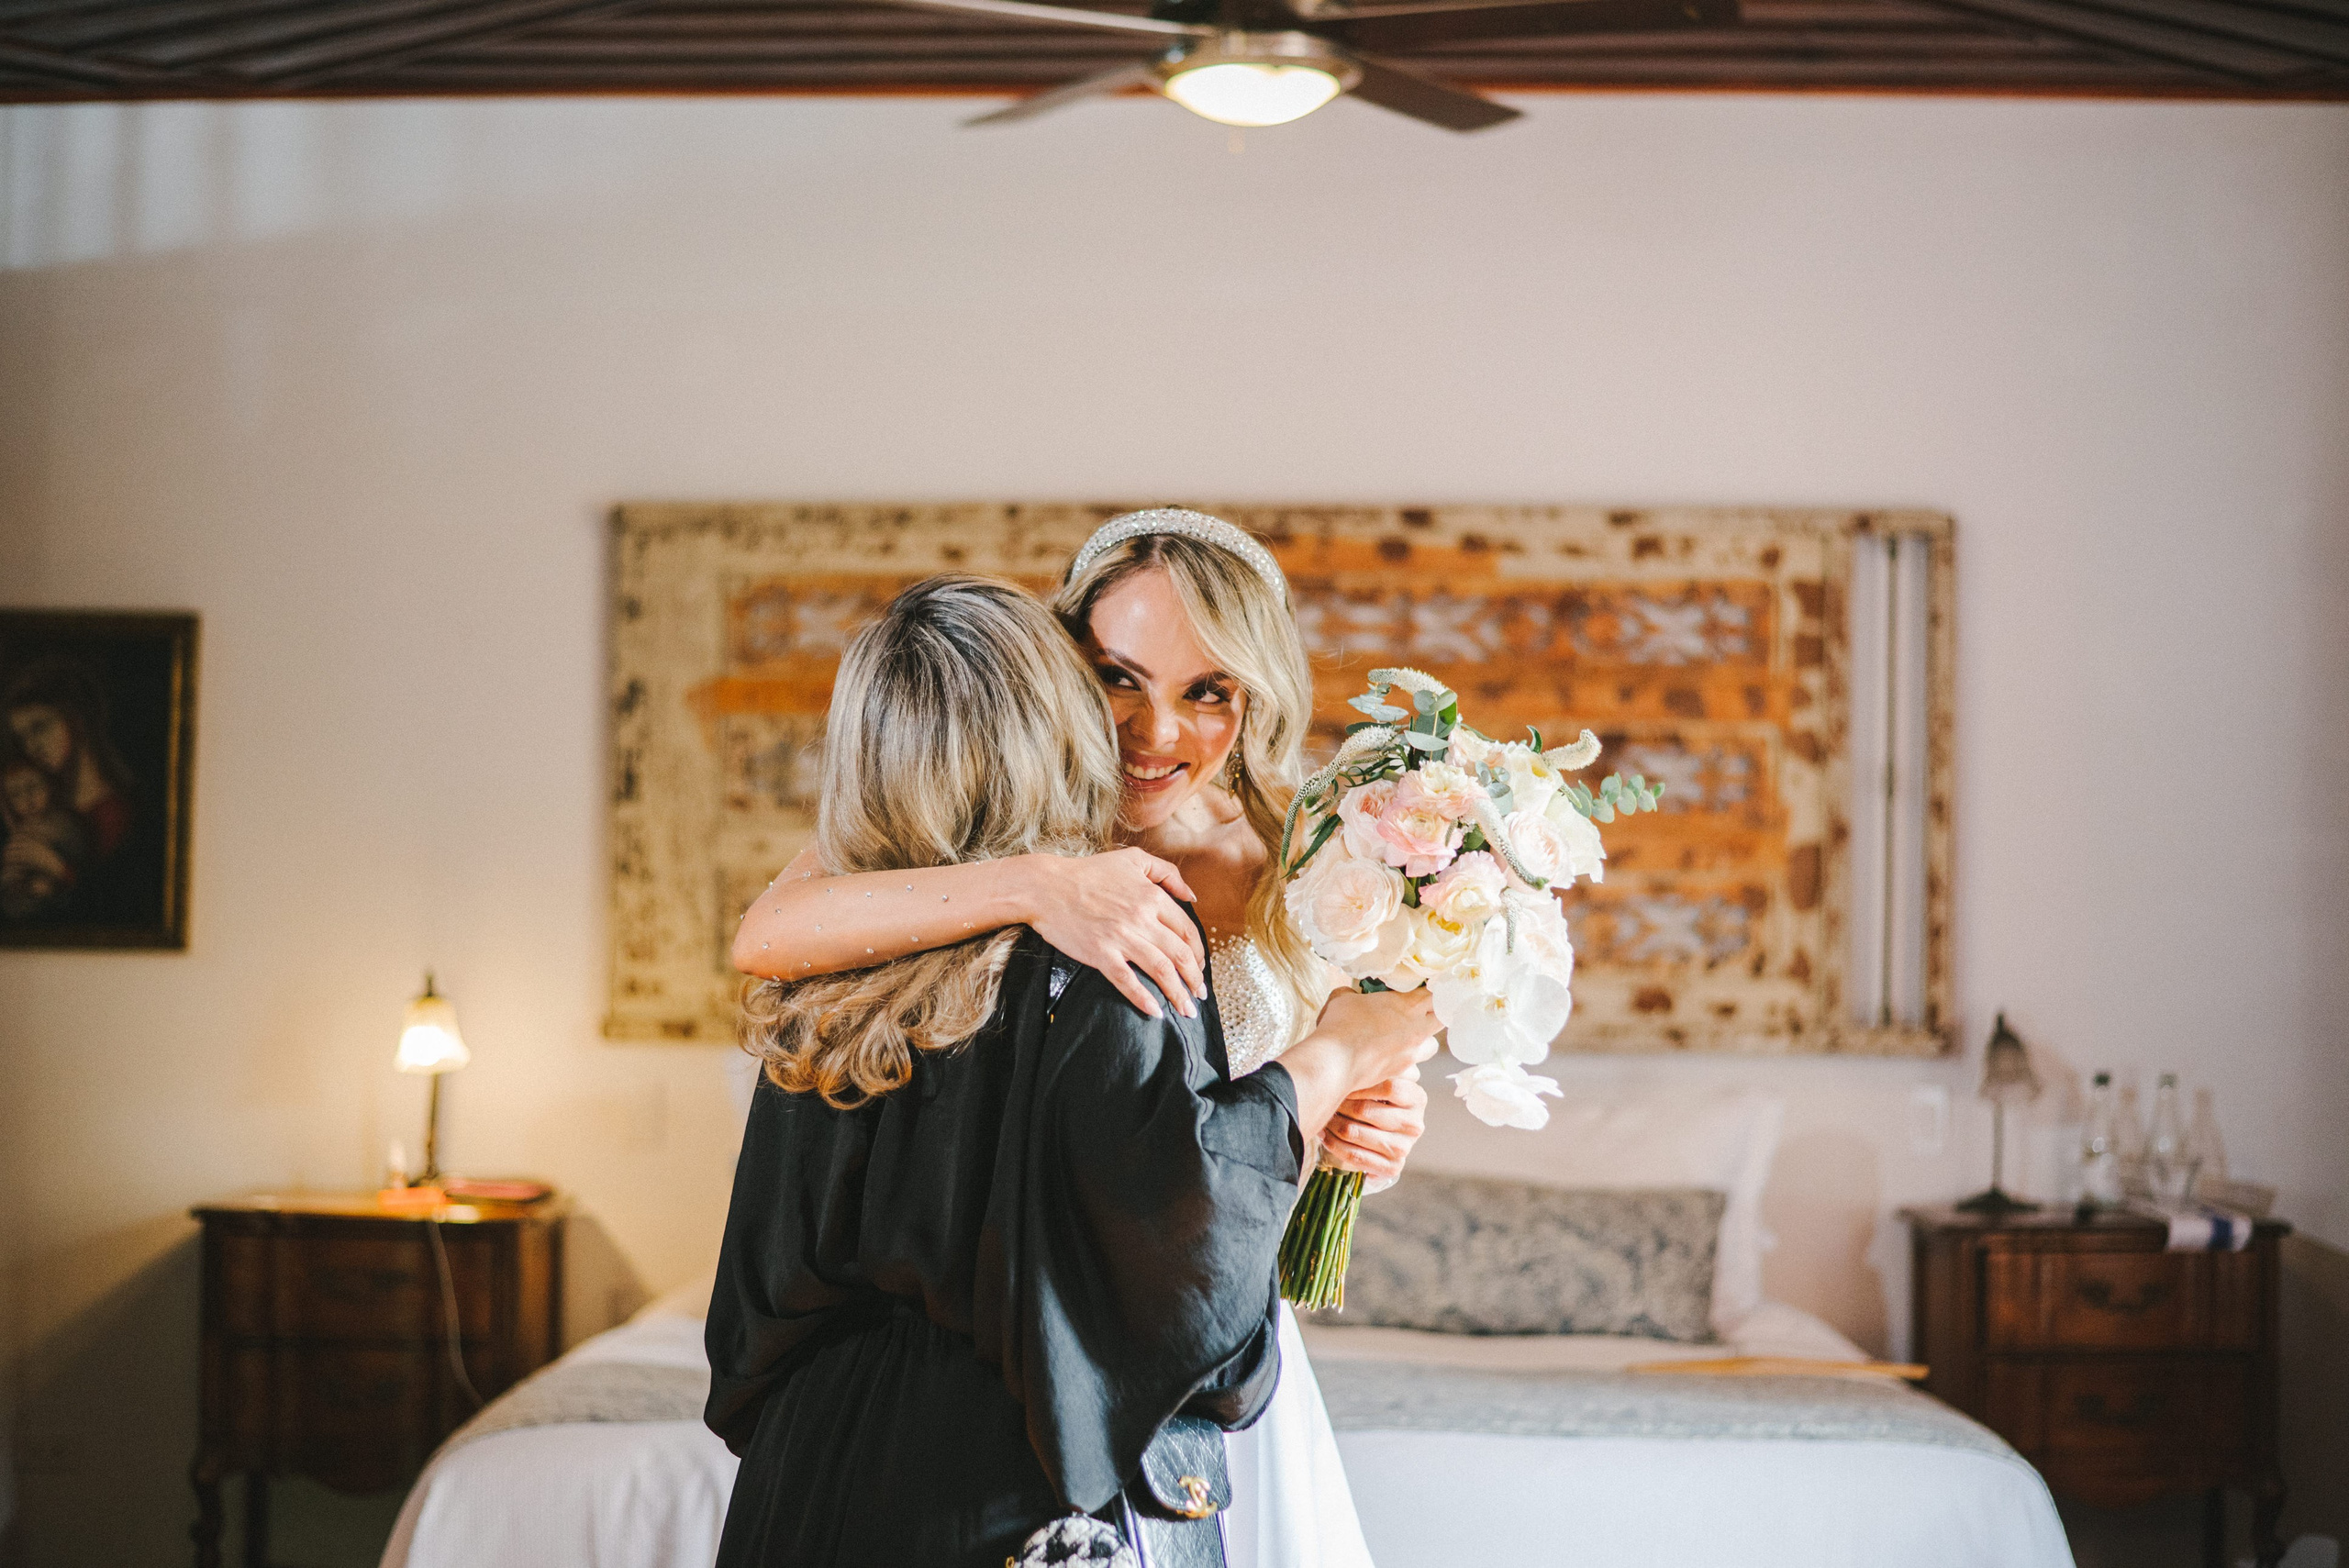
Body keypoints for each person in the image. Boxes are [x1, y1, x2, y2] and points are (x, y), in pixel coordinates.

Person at [732, 509, 1427, 1568]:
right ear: (1061, 669)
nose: (1154, 734)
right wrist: (1036, 880)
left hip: (1191, 1312)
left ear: (1258, 694)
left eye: (1208, 691)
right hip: (1073, 1332)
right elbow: (769, 935)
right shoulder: (973, 822)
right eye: (1117, 677)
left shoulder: (1315, 861)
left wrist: (1361, 1123)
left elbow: (1233, 1163)